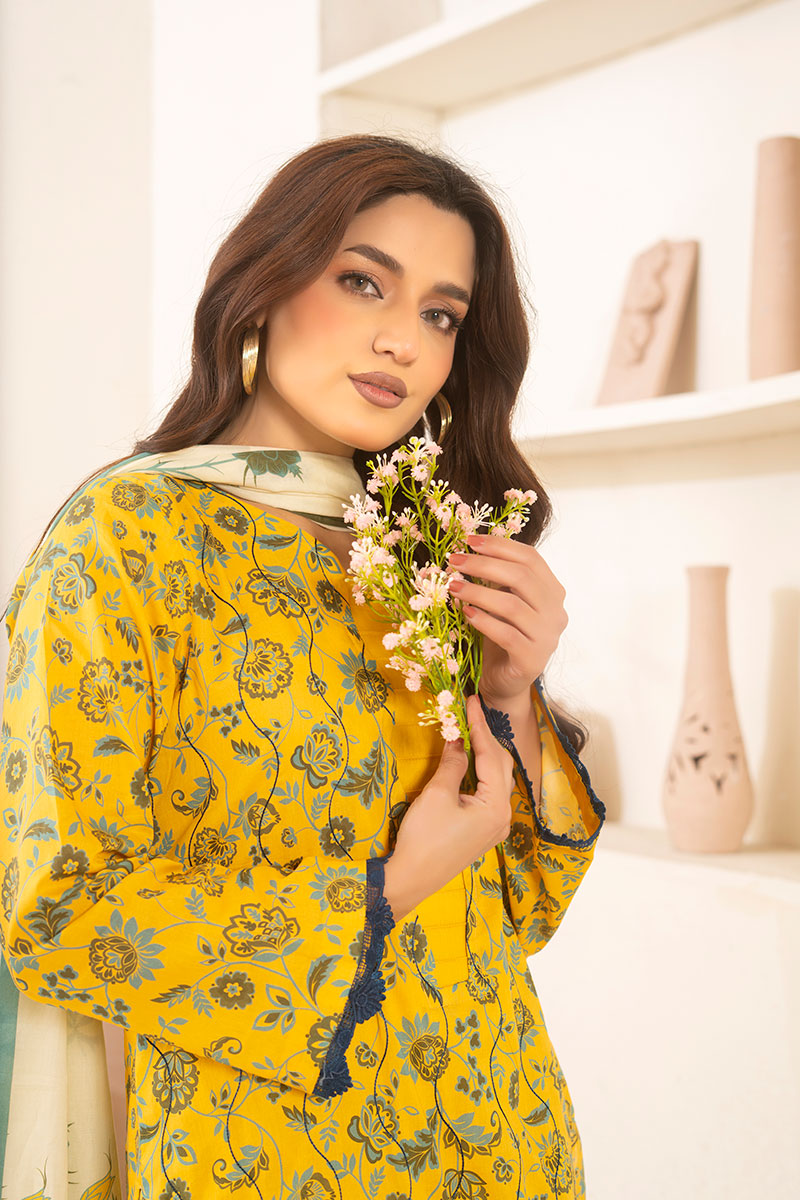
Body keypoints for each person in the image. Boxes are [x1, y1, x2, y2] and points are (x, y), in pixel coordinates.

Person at [0, 133, 605, 1200]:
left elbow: (519, 911)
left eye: (441, 314)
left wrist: (508, 696)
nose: (402, 339)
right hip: (268, 1154)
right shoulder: (127, 540)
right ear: (264, 288)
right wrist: (392, 886)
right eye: (362, 280)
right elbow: (60, 915)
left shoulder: (420, 550)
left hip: (500, 1131)